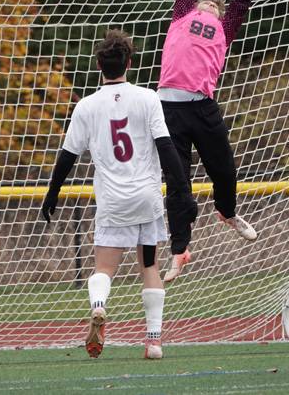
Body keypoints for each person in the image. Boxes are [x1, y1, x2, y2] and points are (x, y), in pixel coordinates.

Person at [41, 30, 197, 360]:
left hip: (112, 203)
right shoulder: (147, 98)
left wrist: (52, 192)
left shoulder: (86, 106)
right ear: (129, 62)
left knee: (103, 270)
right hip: (147, 200)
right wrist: (182, 187)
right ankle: (153, 342)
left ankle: (98, 307)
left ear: (99, 65)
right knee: (150, 268)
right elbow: (166, 146)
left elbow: (68, 155)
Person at [159, 0, 261, 282]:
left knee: (225, 172)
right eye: (204, 0)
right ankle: (180, 250)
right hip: (169, 108)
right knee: (177, 185)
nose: (207, 4)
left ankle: (228, 211)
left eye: (213, 5)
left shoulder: (225, 26)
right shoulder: (182, 13)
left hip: (202, 108)